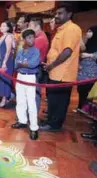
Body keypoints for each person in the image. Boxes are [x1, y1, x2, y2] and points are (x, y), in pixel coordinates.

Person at [41, 3, 82, 132]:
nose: (56, 15)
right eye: (56, 13)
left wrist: (52, 65)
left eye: (60, 13)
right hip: (55, 72)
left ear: (69, 14)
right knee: (53, 100)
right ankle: (50, 120)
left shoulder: (72, 29)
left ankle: (55, 125)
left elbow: (67, 51)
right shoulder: (62, 29)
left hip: (63, 74)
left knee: (59, 102)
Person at [11, 29, 40, 140]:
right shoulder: (20, 51)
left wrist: (21, 63)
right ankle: (22, 120)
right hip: (20, 76)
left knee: (31, 102)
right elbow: (15, 65)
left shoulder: (36, 51)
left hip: (30, 77)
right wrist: (23, 64)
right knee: (20, 100)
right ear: (24, 39)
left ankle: (34, 128)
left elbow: (33, 64)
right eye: (29, 37)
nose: (32, 40)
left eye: (33, 37)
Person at [0, 21, 15, 107]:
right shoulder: (3, 36)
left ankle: (4, 100)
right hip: (2, 60)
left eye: (4, 26)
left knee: (5, 80)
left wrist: (4, 63)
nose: (1, 27)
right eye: (1, 25)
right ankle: (4, 98)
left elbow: (8, 51)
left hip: (7, 61)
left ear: (8, 28)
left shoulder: (9, 36)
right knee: (1, 80)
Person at [29, 17, 49, 113]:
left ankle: (33, 114)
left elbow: (28, 52)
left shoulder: (40, 39)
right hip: (36, 67)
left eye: (30, 26)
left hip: (35, 68)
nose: (29, 28)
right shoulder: (40, 37)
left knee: (34, 93)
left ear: (37, 26)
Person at [76, 26, 97, 113]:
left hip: (92, 72)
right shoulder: (87, 42)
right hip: (82, 71)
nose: (88, 33)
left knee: (89, 91)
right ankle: (80, 107)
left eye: (90, 31)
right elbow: (80, 49)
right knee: (81, 89)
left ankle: (87, 109)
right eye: (87, 31)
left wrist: (89, 55)